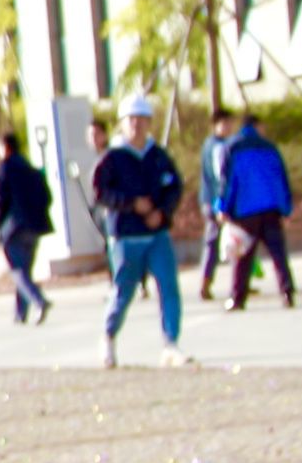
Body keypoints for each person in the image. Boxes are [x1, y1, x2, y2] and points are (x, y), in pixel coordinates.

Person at [95, 95, 190, 365]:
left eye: (141, 120)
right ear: (123, 123)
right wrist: (131, 204)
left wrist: (162, 212)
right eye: (131, 120)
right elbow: (101, 193)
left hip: (157, 234)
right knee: (123, 291)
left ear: (149, 123)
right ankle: (108, 336)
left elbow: (174, 187)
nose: (136, 125)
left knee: (168, 287)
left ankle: (171, 343)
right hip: (126, 236)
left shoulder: (158, 156)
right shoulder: (112, 158)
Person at [218, 109, 298, 310]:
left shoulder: (232, 147)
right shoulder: (270, 147)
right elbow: (281, 179)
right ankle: (287, 292)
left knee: (244, 256)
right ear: (257, 126)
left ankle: (238, 297)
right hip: (271, 208)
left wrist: (223, 207)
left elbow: (227, 181)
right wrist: (286, 207)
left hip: (245, 210)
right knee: (278, 253)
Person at [0, 131, 54, 323]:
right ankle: (20, 313)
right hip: (35, 227)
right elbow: (47, 197)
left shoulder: (5, 168)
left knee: (17, 270)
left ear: (5, 148)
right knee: (25, 270)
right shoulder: (32, 169)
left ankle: (39, 300)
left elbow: (0, 199)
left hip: (14, 227)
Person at [198, 107, 239, 291]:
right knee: (216, 241)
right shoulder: (218, 147)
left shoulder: (212, 144)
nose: (229, 127)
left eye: (230, 123)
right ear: (216, 125)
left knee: (222, 240)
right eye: (225, 124)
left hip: (212, 199)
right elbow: (219, 176)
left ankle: (234, 281)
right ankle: (206, 282)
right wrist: (220, 204)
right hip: (216, 201)